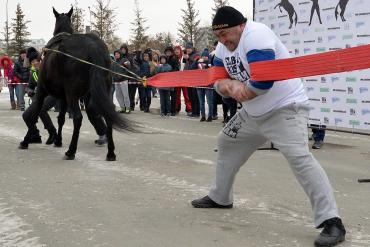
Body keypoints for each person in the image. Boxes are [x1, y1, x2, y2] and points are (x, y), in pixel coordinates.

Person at [191, 6, 346, 247]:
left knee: (299, 158)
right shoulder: (223, 47)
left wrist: (238, 89)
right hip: (253, 114)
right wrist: (229, 87)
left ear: (241, 25)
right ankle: (220, 197)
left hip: (285, 108)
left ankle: (332, 220)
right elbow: (215, 80)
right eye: (218, 37)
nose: (223, 41)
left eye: (226, 34)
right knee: (226, 142)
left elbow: (263, 82)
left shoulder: (257, 34)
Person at [183, 42, 200, 118]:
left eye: (189, 48)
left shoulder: (196, 55)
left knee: (195, 96)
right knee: (190, 95)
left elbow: (195, 65)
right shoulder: (188, 56)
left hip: (195, 79)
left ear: (192, 48)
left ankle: (196, 112)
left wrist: (188, 59)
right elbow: (186, 67)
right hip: (188, 79)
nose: (188, 50)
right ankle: (193, 111)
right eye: (187, 49)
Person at [174, 45, 192, 115]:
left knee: (186, 95)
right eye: (175, 50)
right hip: (177, 79)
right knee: (177, 95)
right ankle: (177, 108)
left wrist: (187, 58)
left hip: (184, 78)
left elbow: (187, 65)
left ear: (180, 50)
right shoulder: (174, 58)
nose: (176, 51)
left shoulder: (183, 57)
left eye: (178, 50)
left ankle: (189, 109)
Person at [197, 49, 214, 122]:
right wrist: (196, 61)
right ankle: (203, 115)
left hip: (208, 85)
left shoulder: (210, 63)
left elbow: (212, 70)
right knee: (201, 102)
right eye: (203, 56)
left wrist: (206, 65)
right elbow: (191, 69)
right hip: (200, 84)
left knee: (209, 101)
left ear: (208, 57)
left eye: (205, 56)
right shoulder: (198, 64)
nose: (204, 57)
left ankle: (210, 116)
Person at [112, 50, 131, 114]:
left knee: (125, 95)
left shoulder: (124, 60)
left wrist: (127, 64)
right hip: (116, 81)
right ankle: (122, 107)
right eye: (115, 54)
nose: (116, 55)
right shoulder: (114, 62)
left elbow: (128, 67)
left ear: (120, 54)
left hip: (123, 80)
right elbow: (112, 71)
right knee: (118, 95)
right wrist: (114, 77)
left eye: (117, 54)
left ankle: (128, 108)